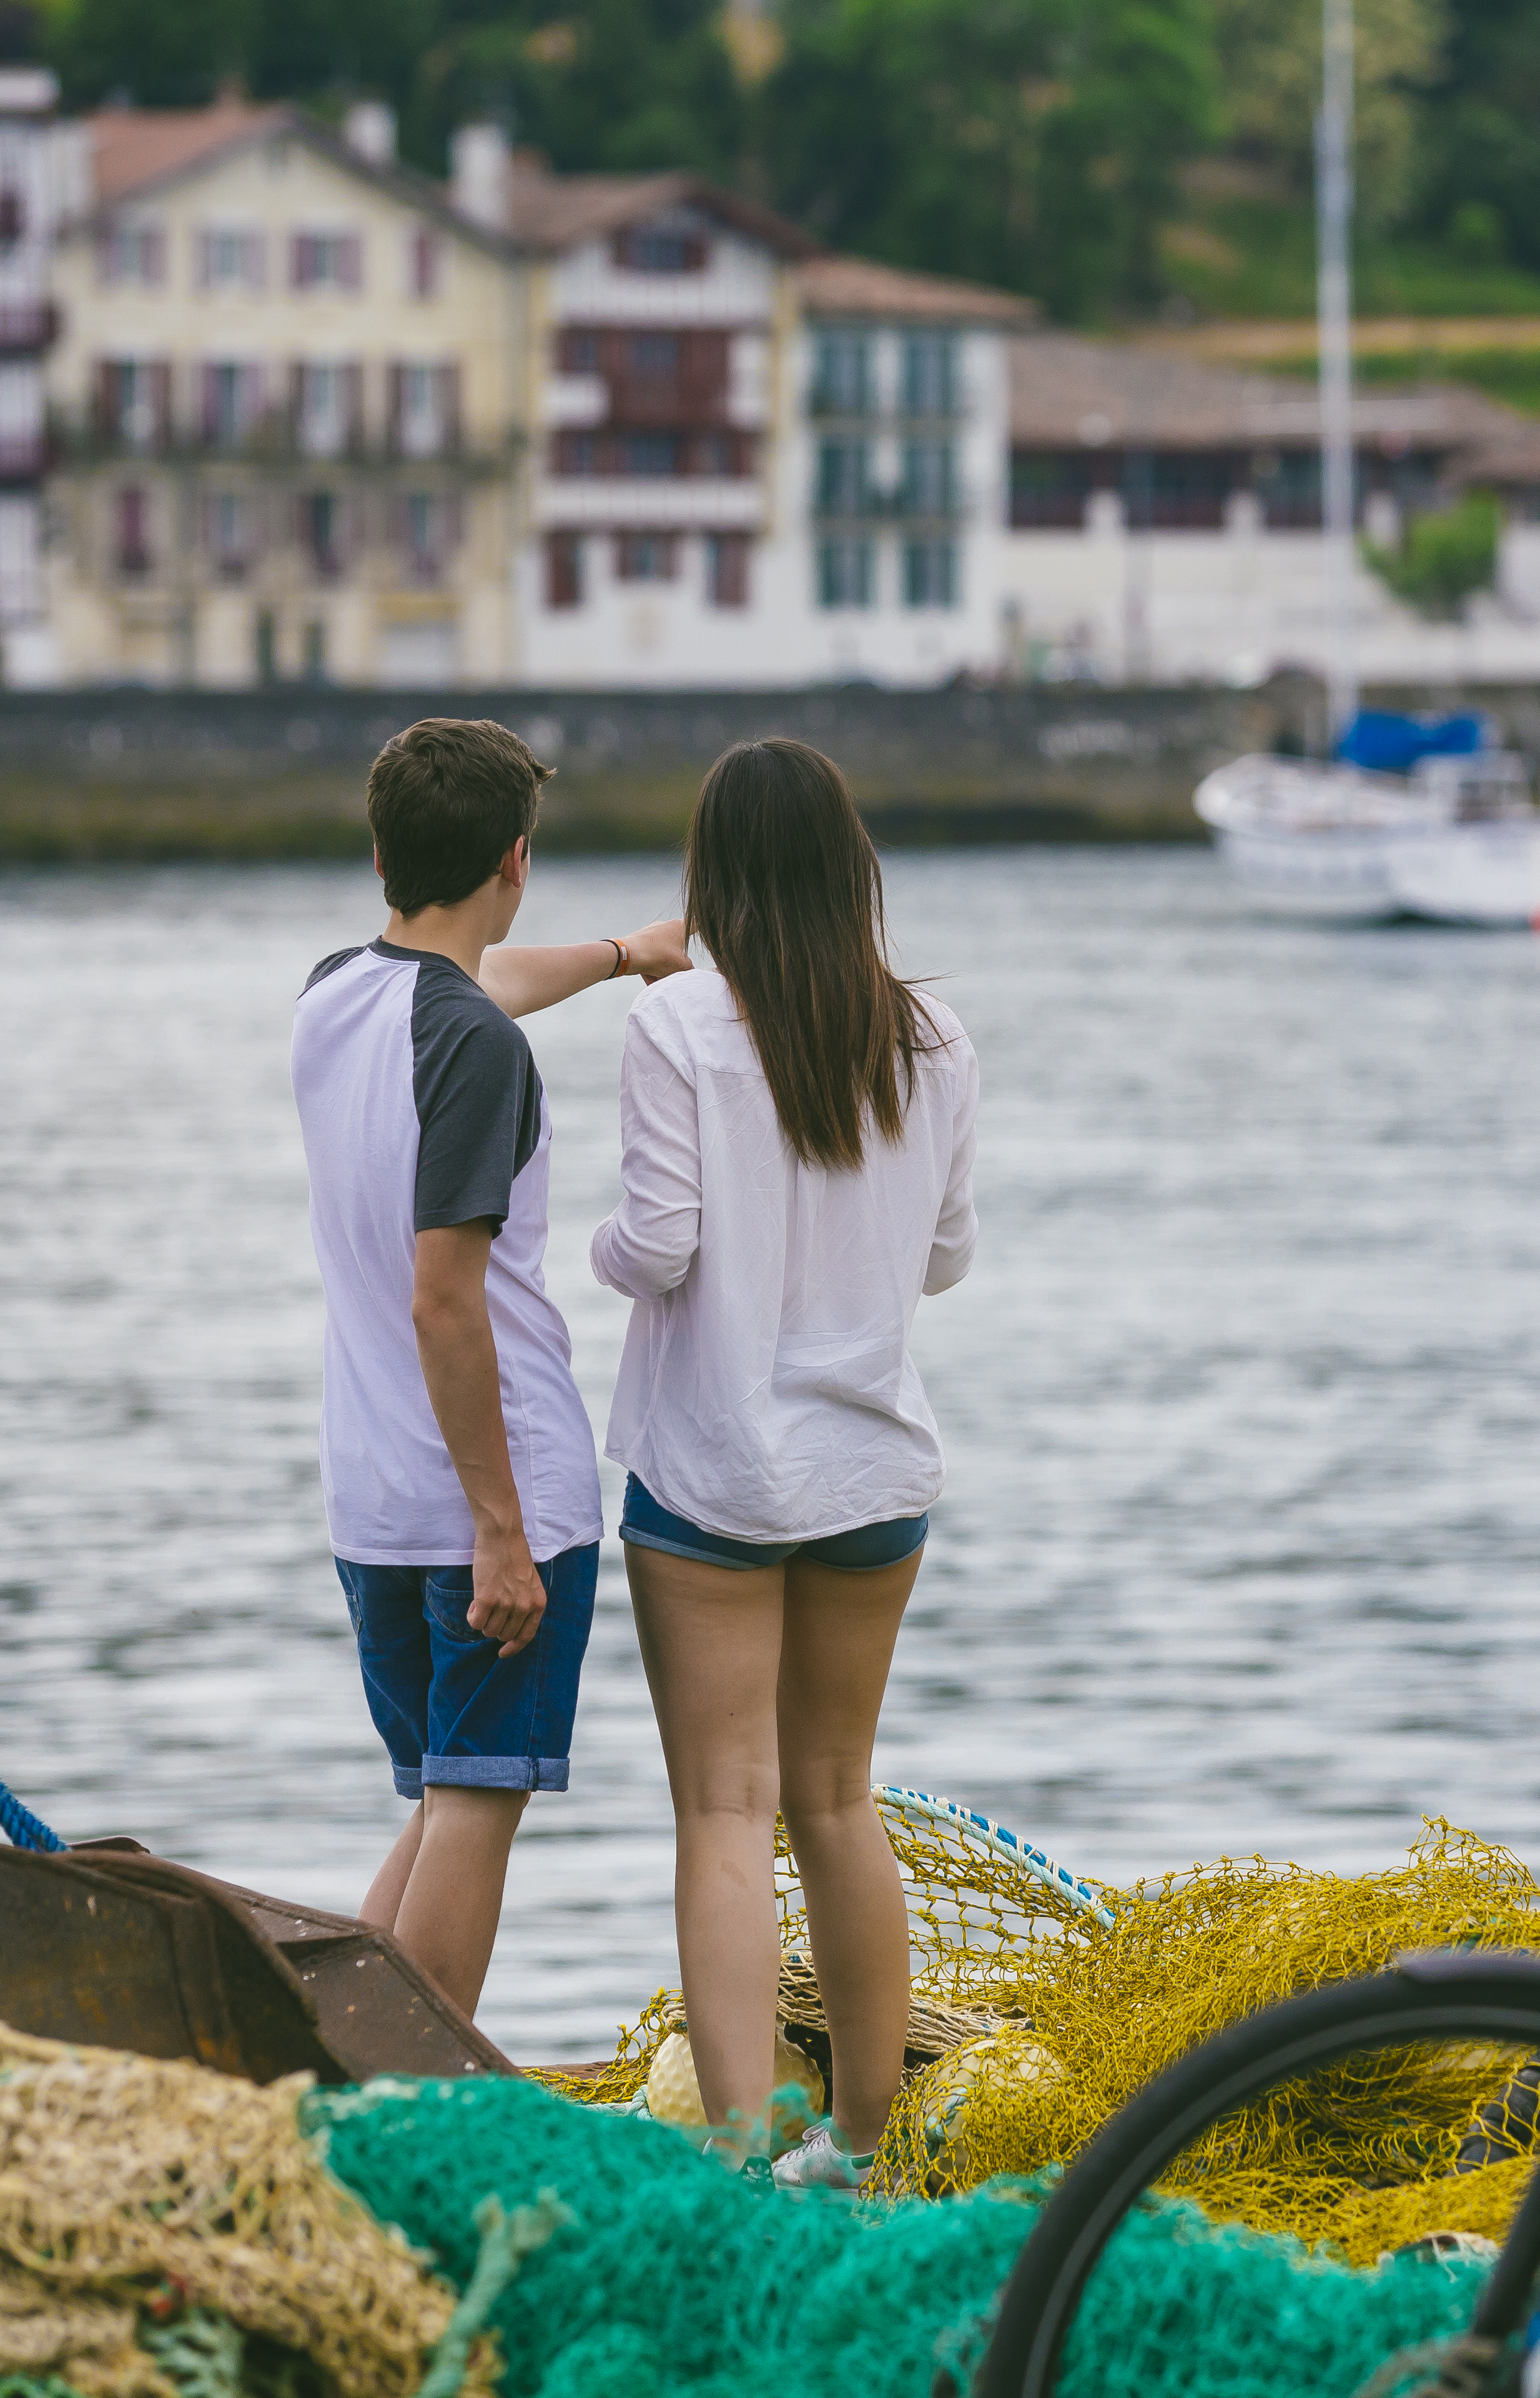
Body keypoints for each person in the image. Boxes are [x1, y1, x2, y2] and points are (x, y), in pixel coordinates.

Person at [590, 738, 979, 2188]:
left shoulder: (678, 1026)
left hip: (712, 1478)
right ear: (849, 867)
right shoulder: (932, 1034)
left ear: (717, 877)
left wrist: (593, 1250)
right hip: (875, 1472)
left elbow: (661, 1243)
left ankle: (747, 2158)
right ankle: (871, 2144)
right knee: (836, 1798)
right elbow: (945, 1257)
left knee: (725, 1811)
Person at [292, 716, 687, 2015]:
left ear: (379, 855)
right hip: (484, 1501)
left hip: (371, 1503)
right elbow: (445, 1303)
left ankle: (334, 2075)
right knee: (473, 1808)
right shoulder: (475, 1049)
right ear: (517, 858)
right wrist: (503, 1535)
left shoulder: (337, 996)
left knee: (440, 1802)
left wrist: (631, 954)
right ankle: (411, 2115)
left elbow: (481, 980)